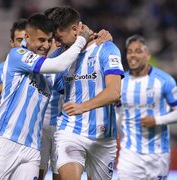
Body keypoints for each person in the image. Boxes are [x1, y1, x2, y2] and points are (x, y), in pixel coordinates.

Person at [0, 13, 91, 180]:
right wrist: (81, 40)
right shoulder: (18, 54)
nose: (45, 45)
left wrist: (95, 40)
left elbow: (70, 78)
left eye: (48, 40)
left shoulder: (48, 72)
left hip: (32, 149)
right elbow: (58, 65)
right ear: (27, 37)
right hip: (4, 141)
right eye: (40, 40)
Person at [48, 6, 124, 180]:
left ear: (75, 29)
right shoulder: (60, 57)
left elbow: (114, 92)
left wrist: (83, 107)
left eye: (59, 38)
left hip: (103, 137)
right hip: (70, 131)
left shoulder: (106, 49)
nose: (57, 43)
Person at [116, 35, 177, 180]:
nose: (133, 55)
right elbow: (115, 111)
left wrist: (157, 120)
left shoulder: (164, 80)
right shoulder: (120, 83)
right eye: (130, 51)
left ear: (147, 55)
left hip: (157, 154)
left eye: (138, 51)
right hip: (129, 153)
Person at [0, 18, 27, 115]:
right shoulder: (1, 69)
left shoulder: (44, 66)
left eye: (26, 40)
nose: (23, 44)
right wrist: (12, 102)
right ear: (12, 43)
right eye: (19, 40)